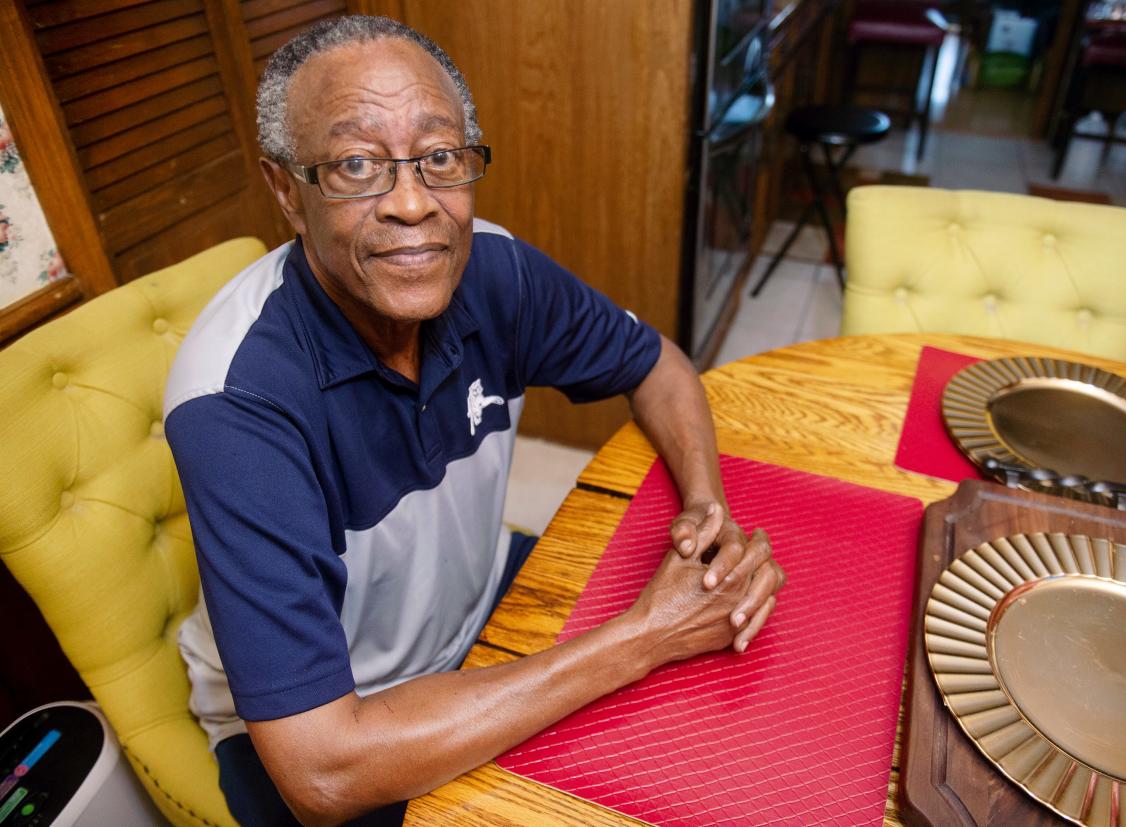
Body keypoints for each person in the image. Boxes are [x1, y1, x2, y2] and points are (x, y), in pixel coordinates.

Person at [164, 15, 786, 827]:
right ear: (288, 191)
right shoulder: (235, 405)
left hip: (479, 606)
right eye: (356, 165)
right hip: (336, 723)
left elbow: (658, 365)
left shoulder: (497, 270)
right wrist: (642, 636)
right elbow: (320, 772)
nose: (415, 205)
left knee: (730, 736)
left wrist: (708, 510)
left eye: (440, 157)